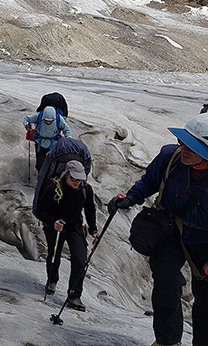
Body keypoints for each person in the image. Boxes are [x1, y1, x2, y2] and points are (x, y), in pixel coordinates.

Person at [108, 113, 208, 346]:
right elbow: (150, 180)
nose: (184, 148)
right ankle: (167, 341)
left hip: (204, 240)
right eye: (183, 142)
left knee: (205, 298)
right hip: (170, 228)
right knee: (165, 281)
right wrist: (130, 198)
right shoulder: (170, 157)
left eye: (191, 147)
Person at [35, 160, 98, 311]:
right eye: (73, 178)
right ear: (66, 175)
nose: (77, 182)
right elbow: (40, 210)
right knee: (54, 255)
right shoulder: (54, 188)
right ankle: (52, 280)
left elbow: (90, 210)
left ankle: (74, 295)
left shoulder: (85, 190)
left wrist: (93, 230)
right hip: (55, 226)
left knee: (80, 259)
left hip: (74, 226)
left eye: (79, 179)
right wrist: (52, 222)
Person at [24, 106, 72, 172]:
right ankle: (41, 176)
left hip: (54, 143)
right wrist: (27, 125)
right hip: (40, 143)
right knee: (39, 164)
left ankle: (49, 177)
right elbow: (26, 119)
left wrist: (68, 139)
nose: (48, 122)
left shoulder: (59, 119)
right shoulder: (39, 116)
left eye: (50, 121)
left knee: (52, 163)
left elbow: (66, 130)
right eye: (46, 120)